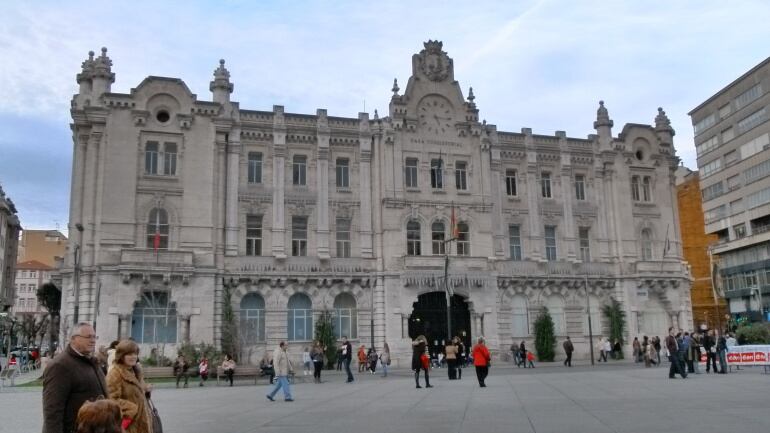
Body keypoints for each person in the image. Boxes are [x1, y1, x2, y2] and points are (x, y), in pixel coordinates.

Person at [42, 322, 109, 433]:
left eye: (94, 336)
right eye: (88, 337)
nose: (93, 340)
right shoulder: (60, 365)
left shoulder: (91, 361)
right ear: (73, 339)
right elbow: (53, 410)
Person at [106, 340, 153, 433]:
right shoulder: (115, 373)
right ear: (121, 355)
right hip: (128, 425)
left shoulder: (135, 371)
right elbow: (111, 399)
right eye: (129, 354)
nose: (133, 357)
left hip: (142, 423)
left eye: (135, 353)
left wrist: (146, 390)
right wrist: (130, 408)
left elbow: (136, 392)